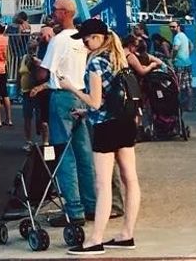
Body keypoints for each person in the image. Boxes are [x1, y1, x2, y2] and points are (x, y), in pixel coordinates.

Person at [59, 18, 141, 255]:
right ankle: (127, 234)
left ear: (97, 38)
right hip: (126, 123)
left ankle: (95, 240)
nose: (84, 44)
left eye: (86, 39)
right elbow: (110, 98)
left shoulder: (95, 64)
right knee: (130, 179)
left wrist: (71, 88)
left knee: (102, 184)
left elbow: (95, 102)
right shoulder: (119, 59)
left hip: (106, 127)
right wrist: (87, 111)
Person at [38, 0, 96, 228]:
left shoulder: (59, 41)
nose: (52, 13)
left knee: (64, 154)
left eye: (55, 10)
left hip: (61, 96)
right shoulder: (82, 40)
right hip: (81, 94)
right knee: (84, 153)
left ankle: (74, 209)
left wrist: (35, 65)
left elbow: (44, 73)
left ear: (64, 13)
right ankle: (91, 204)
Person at [169, 21, 193, 111]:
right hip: (187, 63)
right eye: (170, 27)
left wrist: (172, 58)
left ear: (178, 26)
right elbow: (192, 45)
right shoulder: (184, 35)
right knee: (188, 85)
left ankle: (178, 106)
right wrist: (187, 55)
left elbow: (175, 48)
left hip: (179, 64)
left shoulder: (177, 37)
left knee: (177, 85)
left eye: (173, 27)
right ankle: (189, 106)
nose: (171, 29)